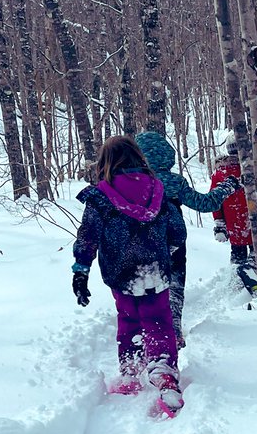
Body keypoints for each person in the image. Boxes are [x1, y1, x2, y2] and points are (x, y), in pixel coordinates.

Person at [71, 135, 186, 418]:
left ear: (106, 162)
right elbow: (178, 233)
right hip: (155, 271)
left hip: (120, 273)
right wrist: (164, 252)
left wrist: (81, 271)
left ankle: (131, 373)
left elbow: (88, 237)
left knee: (128, 319)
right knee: (159, 321)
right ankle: (164, 376)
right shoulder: (158, 190)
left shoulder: (100, 196)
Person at [135, 130, 240, 346]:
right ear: (167, 155)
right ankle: (172, 330)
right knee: (174, 285)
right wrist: (226, 187)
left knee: (146, 287)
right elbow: (205, 203)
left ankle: (145, 333)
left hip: (141, 245)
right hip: (173, 242)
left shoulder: (132, 183)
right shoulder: (174, 182)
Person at [211, 140, 257, 303]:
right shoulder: (253, 168)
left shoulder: (220, 173)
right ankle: (252, 283)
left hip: (234, 224)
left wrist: (219, 223)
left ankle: (237, 286)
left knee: (237, 257)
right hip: (255, 222)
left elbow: (214, 200)